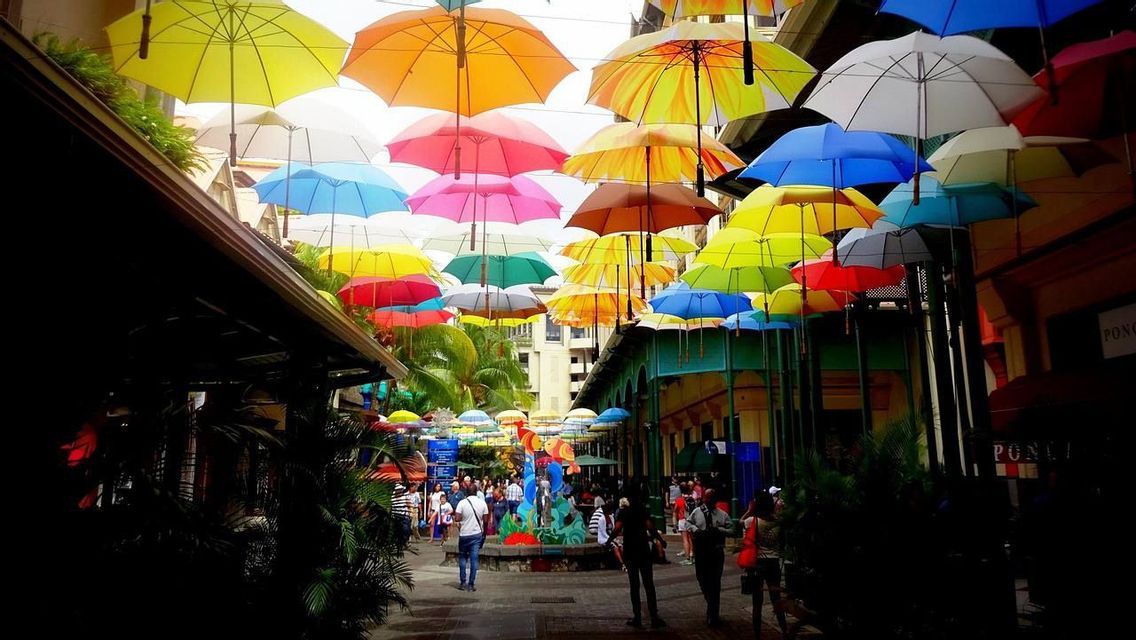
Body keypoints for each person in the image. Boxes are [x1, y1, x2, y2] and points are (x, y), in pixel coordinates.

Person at [609, 493, 665, 629]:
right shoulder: (643, 511)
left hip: (630, 551)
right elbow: (650, 527)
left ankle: (637, 617)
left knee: (634, 586)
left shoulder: (624, 512)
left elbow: (617, 528)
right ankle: (653, 616)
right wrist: (661, 540)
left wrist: (609, 540)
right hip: (643, 550)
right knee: (649, 584)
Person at [738, 493, 788, 638]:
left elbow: (740, 522)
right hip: (774, 562)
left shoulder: (752, 521)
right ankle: (784, 629)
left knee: (757, 601)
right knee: (776, 597)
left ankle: (757, 634)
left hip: (758, 563)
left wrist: (749, 510)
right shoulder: (778, 522)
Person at [686, 487, 733, 626]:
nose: (709, 500)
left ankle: (713, 613)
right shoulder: (697, 512)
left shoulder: (722, 514)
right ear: (704, 499)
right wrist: (696, 530)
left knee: (715, 582)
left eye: (712, 498)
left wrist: (719, 530)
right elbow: (688, 522)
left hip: (716, 551)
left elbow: (732, 529)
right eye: (707, 498)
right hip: (701, 551)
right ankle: (711, 603)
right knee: (702, 578)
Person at [453, 488, 489, 592]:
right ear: (476, 492)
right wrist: (484, 534)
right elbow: (486, 521)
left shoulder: (462, 503)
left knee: (463, 558)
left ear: (467, 493)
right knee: (474, 559)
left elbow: (457, 518)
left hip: (464, 534)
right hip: (476, 534)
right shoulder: (482, 503)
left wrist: (465, 517)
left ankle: (463, 582)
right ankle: (471, 584)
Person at [675, 483, 694, 564]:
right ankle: (692, 554)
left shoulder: (679, 500)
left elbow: (675, 510)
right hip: (691, 520)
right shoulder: (692, 499)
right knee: (691, 539)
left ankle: (688, 558)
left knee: (685, 540)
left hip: (682, 520)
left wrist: (675, 522)